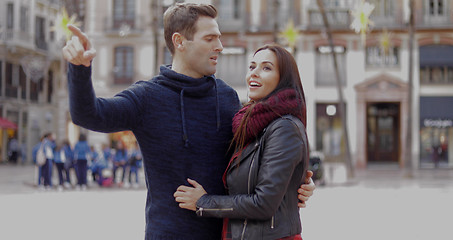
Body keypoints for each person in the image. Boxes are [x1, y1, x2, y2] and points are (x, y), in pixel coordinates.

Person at [62, 3, 314, 239]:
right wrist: (79, 69)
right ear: (179, 41)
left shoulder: (227, 97)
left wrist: (296, 185)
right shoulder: (146, 97)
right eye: (209, 38)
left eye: (219, 37)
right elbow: (88, 114)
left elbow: (260, 158)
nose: (220, 46)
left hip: (227, 233)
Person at [174, 44, 309, 240]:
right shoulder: (249, 125)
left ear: (283, 79)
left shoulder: (284, 128)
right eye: (252, 66)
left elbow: (264, 203)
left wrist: (203, 202)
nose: (254, 73)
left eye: (266, 68)